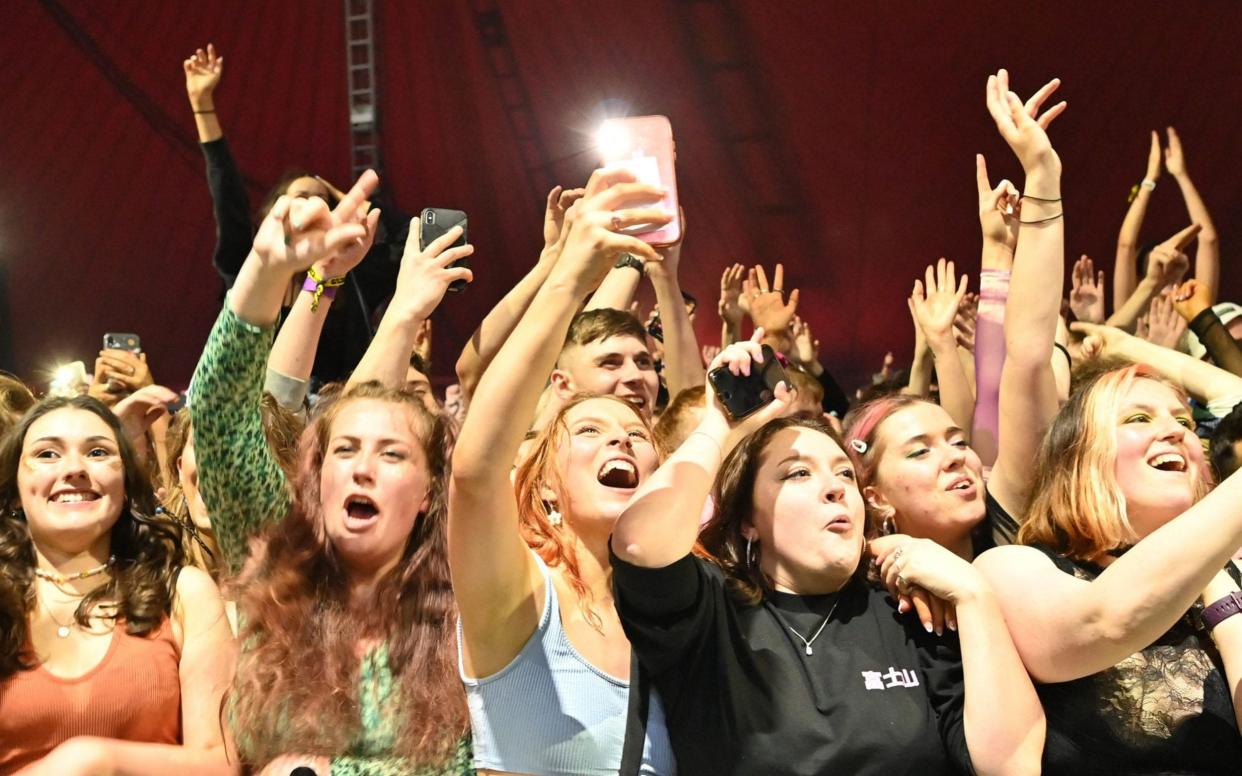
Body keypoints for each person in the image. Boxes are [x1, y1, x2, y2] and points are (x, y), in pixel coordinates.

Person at [610, 335, 1044, 775]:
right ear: (747, 520)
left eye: (844, 475)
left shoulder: (909, 611)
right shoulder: (709, 613)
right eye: (798, 474)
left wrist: (975, 596)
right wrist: (720, 427)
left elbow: (1012, 766)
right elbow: (638, 541)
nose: (835, 488)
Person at [189, 171, 472, 773]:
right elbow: (220, 414)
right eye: (344, 451)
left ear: (429, 493)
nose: (363, 466)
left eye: (392, 455)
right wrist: (269, 271)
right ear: (315, 474)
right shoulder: (277, 553)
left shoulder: (462, 606)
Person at [450, 168, 676, 775]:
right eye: (593, 432)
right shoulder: (519, 592)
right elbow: (474, 472)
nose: (621, 442)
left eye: (636, 435)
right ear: (543, 479)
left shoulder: (679, 611)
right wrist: (568, 270)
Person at [845, 69, 1068, 564]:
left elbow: (1019, 364)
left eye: (957, 441)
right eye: (919, 451)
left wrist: (1041, 181)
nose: (956, 457)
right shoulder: (858, 609)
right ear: (873, 494)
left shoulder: (1006, 528)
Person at [976, 363, 1242, 774]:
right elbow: (1103, 623)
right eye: (1139, 418)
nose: (1177, 431)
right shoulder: (1014, 567)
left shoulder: (1231, 580)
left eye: (1185, 420)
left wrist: (1225, 603)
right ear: (1079, 456)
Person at [0, 396, 235, 774]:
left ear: (125, 483)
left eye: (97, 452)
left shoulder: (183, 593)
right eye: (47, 455)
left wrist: (98, 760)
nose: (74, 469)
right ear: (14, 489)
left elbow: (219, 764)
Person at [183, 43, 408, 383]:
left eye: (324, 201)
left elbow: (405, 237)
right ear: (272, 213)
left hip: (333, 422)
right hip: (261, 421)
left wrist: (344, 198)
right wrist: (202, 106)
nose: (314, 207)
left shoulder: (353, 275)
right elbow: (227, 192)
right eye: (300, 197)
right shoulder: (248, 265)